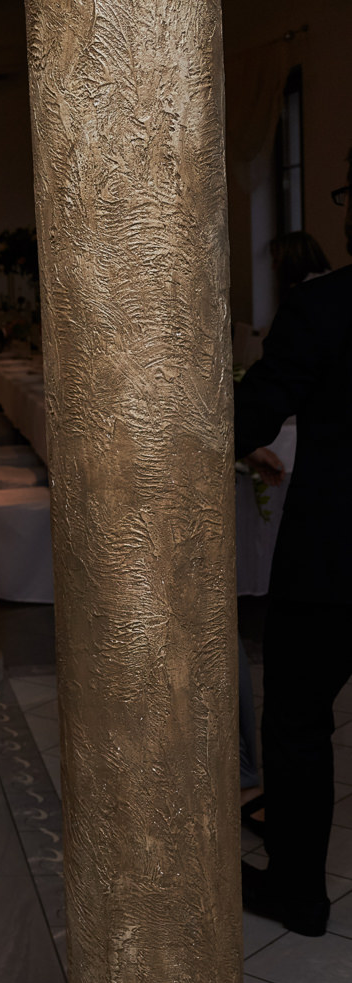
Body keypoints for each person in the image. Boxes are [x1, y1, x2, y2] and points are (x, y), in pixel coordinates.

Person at [235, 150, 352, 937]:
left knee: (299, 722)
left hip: (333, 558)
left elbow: (250, 416)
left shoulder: (323, 307)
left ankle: (300, 893)